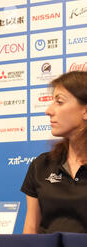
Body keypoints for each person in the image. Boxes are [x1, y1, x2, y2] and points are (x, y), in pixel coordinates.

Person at [21, 71, 87, 234]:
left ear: (85, 111)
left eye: (59, 102)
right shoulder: (41, 165)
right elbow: (30, 231)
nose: (48, 110)